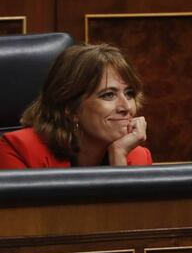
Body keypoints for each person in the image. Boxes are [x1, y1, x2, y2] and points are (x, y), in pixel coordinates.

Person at [0, 43, 152, 168]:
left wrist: (118, 156)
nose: (126, 107)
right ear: (70, 108)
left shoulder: (138, 157)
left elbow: (127, 206)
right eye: (108, 95)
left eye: (129, 93)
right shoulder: (18, 150)